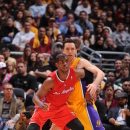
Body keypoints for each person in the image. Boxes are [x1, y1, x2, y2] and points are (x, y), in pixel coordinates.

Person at [51, 39, 105, 130]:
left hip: (83, 106)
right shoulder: (59, 67)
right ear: (63, 51)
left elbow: (101, 73)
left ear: (76, 50)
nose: (70, 52)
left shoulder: (80, 62)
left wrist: (94, 85)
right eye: (67, 49)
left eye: (72, 49)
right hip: (67, 107)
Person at [28, 53, 85, 130]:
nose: (65, 64)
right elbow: (35, 97)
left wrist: (91, 89)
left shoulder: (75, 73)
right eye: (62, 62)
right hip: (46, 107)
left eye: (66, 61)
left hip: (61, 108)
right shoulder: (50, 80)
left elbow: (89, 74)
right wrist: (41, 105)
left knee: (79, 128)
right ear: (57, 65)